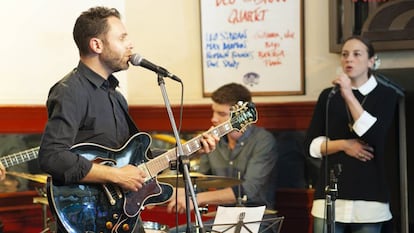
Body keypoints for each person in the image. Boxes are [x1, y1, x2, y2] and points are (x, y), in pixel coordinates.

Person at [38, 6, 218, 233]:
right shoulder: (70, 91)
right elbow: (52, 156)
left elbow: (137, 163)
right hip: (88, 217)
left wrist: (191, 150)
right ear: (96, 45)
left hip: (124, 217)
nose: (130, 44)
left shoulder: (116, 96)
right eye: (122, 38)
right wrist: (114, 175)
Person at [304, 36, 399, 233]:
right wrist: (344, 145)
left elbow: (373, 136)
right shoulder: (328, 96)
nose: (349, 59)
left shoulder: (387, 95)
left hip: (370, 198)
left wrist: (348, 94)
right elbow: (311, 146)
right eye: (345, 55)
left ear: (371, 61)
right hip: (330, 196)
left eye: (357, 54)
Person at [166, 83, 279, 233]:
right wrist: (155, 194)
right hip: (222, 219)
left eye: (222, 114)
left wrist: (196, 200)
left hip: (257, 220)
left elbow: (249, 190)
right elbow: (198, 183)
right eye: (213, 112)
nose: (213, 119)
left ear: (241, 115)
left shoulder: (264, 141)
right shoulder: (214, 142)